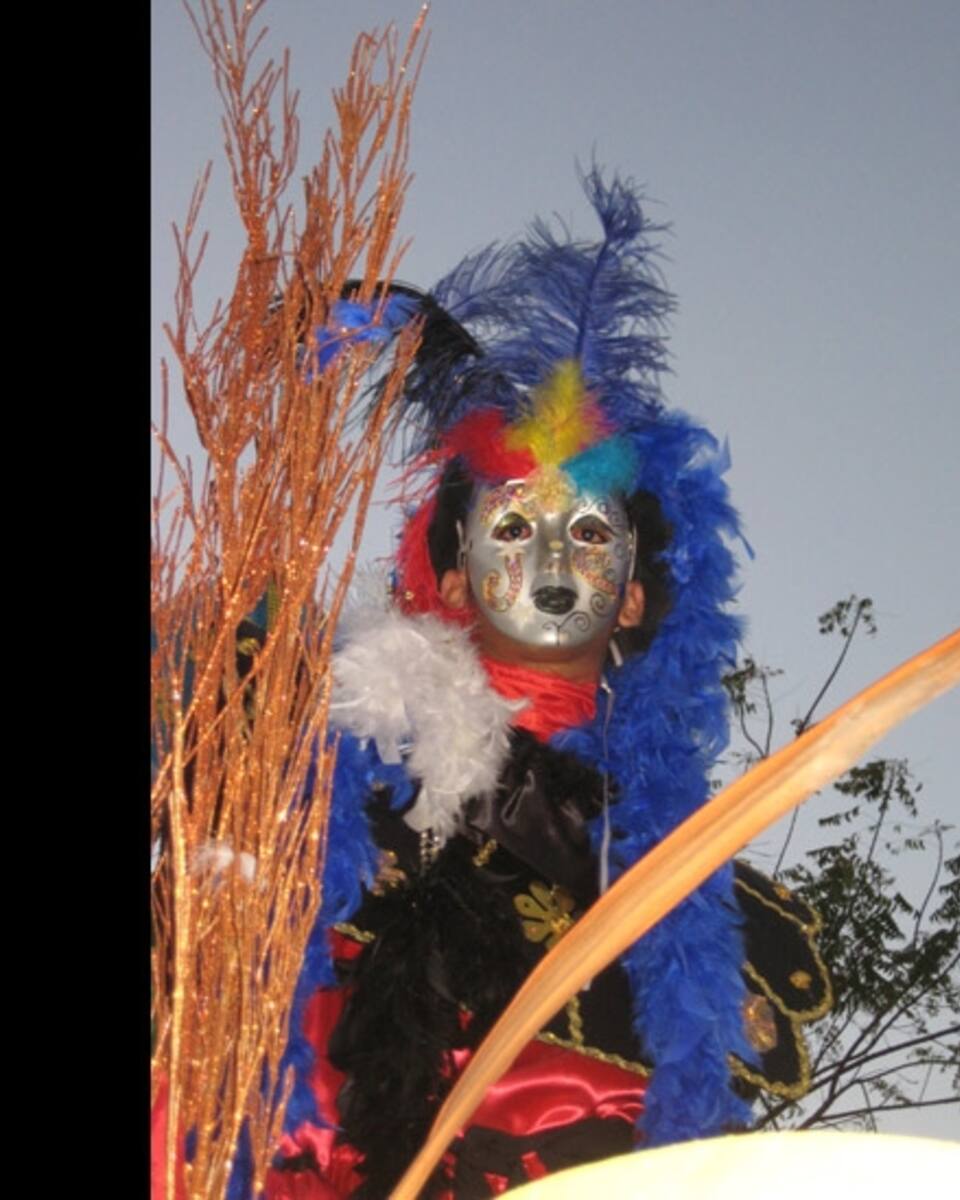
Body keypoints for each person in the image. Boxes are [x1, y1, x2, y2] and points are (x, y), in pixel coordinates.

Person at [262, 169, 832, 1200]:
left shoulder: (704, 890)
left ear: (632, 596)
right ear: (446, 575)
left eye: (588, 532)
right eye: (514, 526)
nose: (553, 563)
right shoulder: (310, 769)